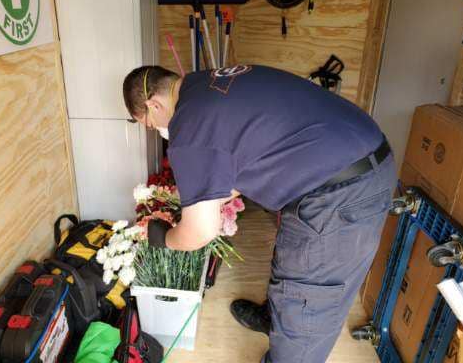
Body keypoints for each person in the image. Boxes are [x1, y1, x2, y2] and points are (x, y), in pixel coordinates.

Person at [123, 64, 396, 363]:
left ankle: (289, 341)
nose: (157, 131)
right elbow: (239, 161)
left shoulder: (188, 127)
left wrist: (164, 238)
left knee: (307, 305)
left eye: (150, 124)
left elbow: (200, 233)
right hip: (356, 153)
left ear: (154, 104)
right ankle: (274, 317)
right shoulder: (206, 84)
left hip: (341, 190)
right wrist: (199, 199)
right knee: (292, 258)